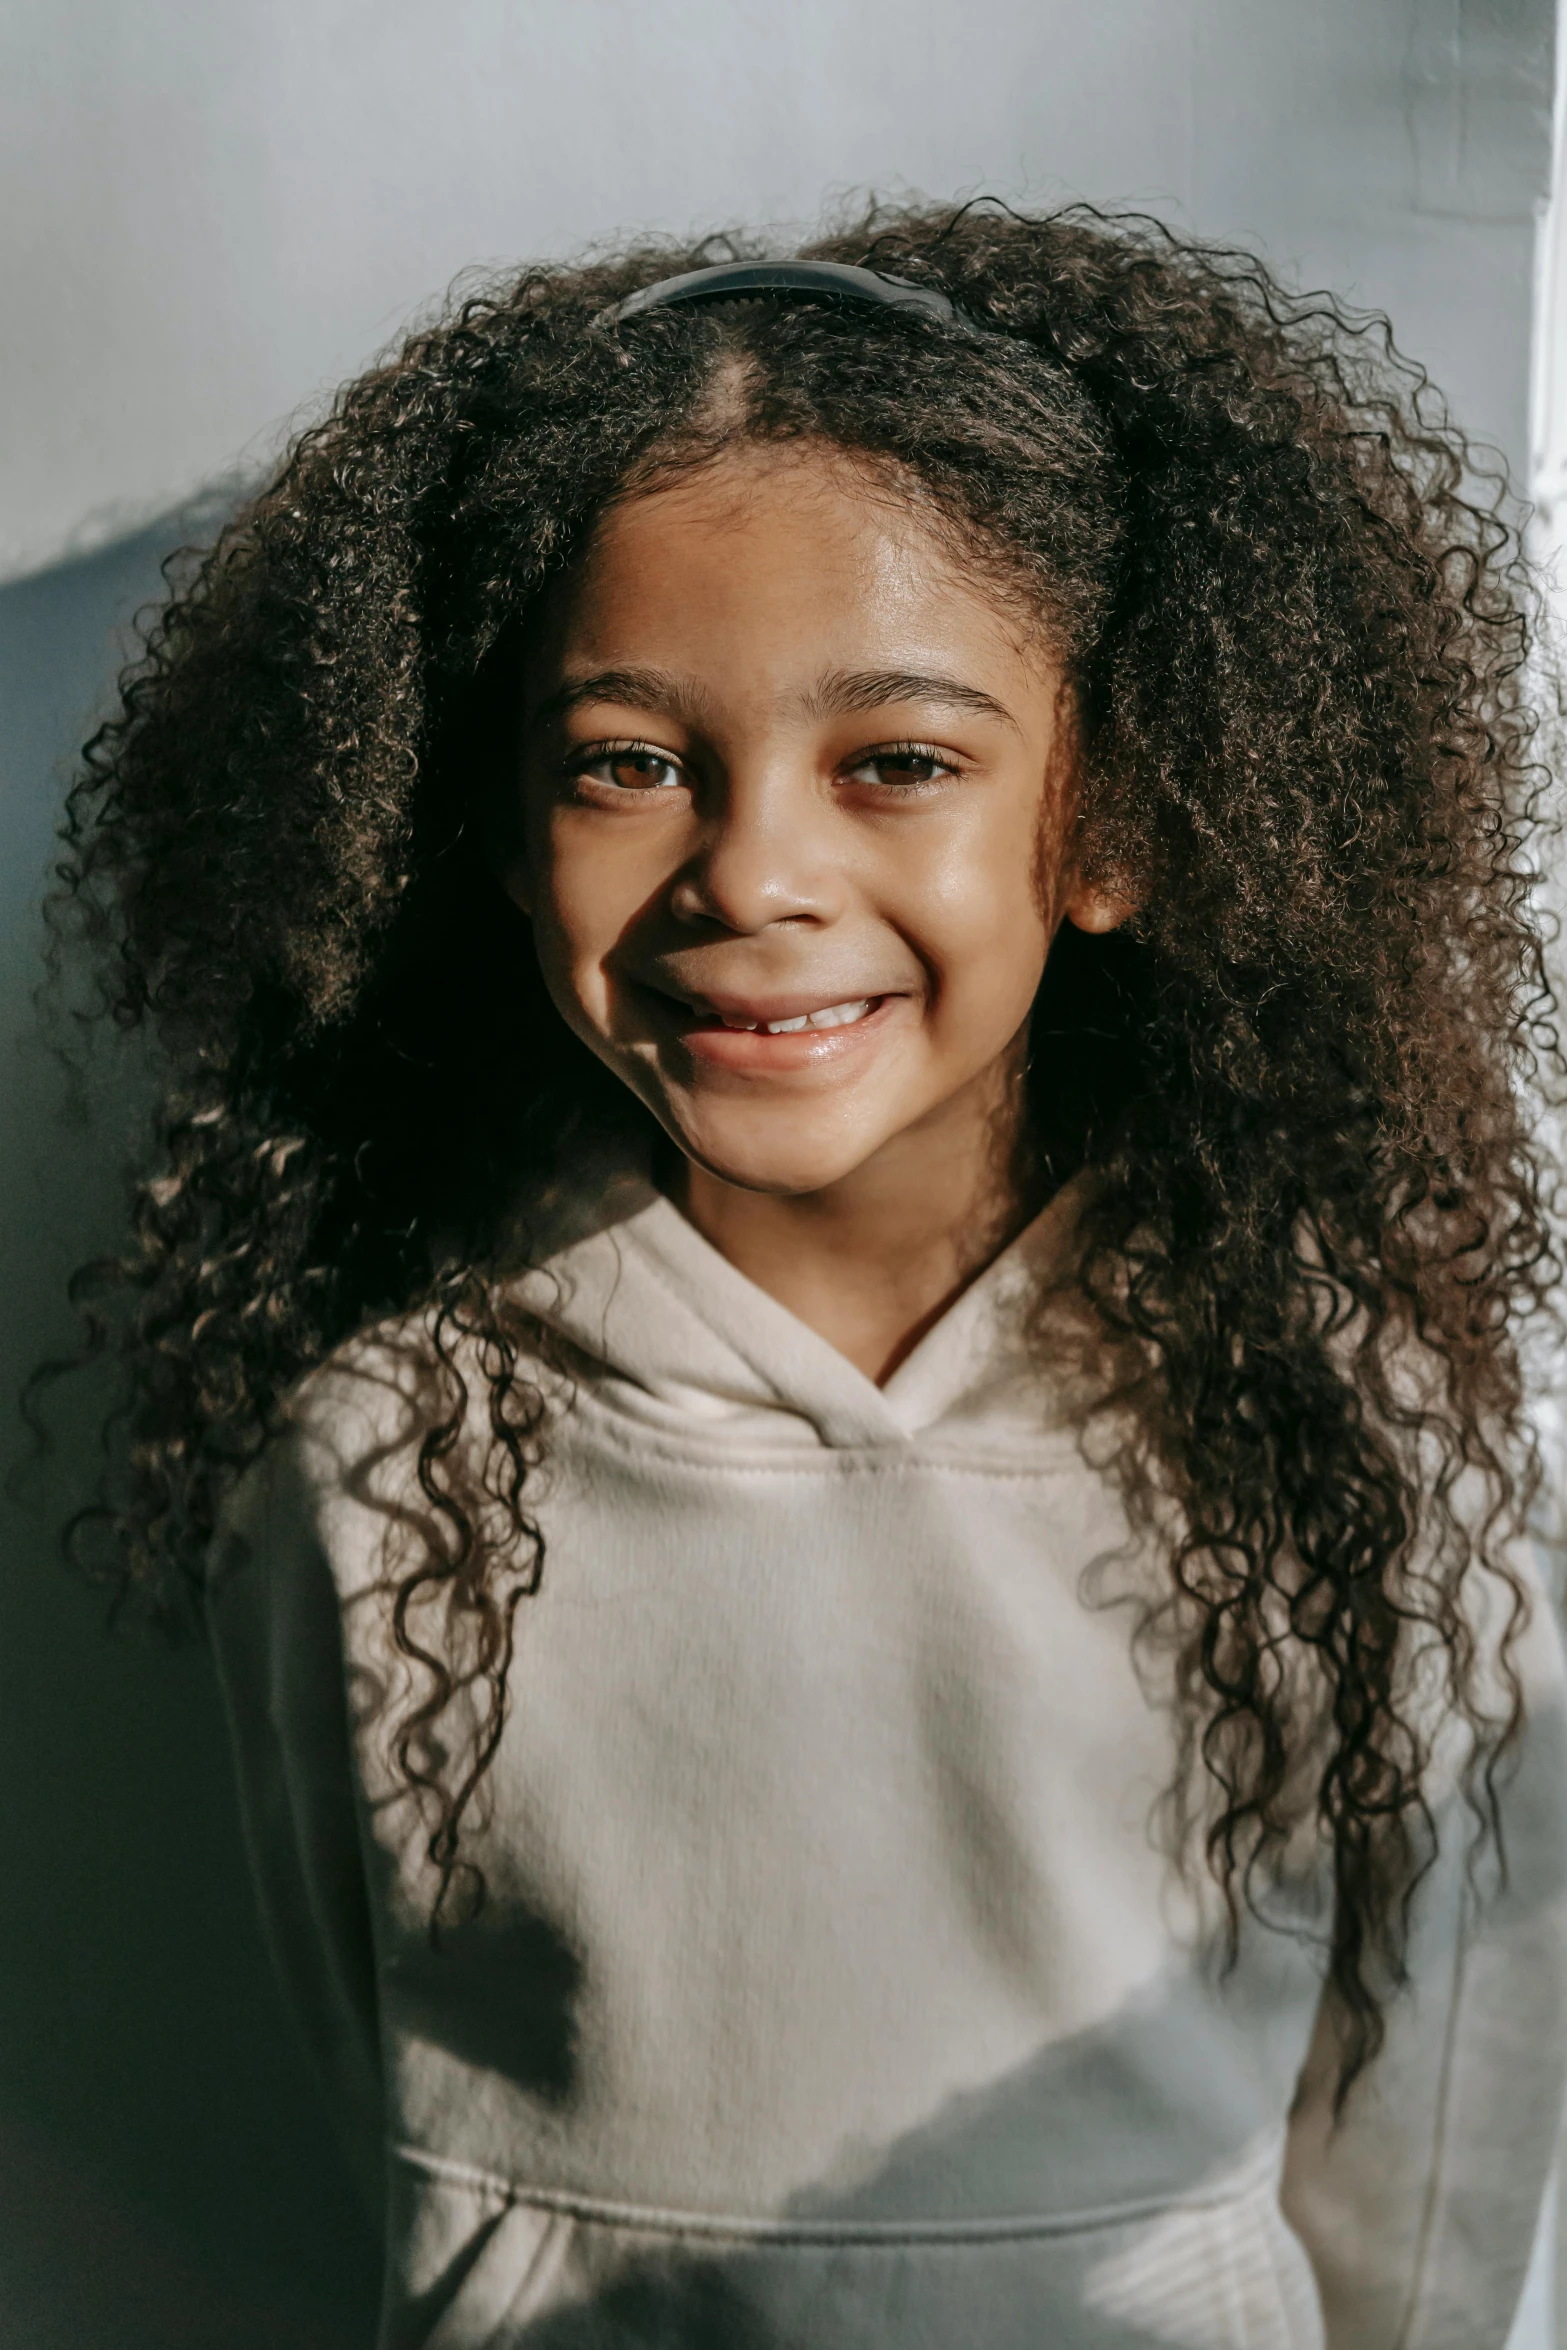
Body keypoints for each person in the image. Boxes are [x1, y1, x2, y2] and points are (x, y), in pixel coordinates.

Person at [44, 202, 1567, 2347]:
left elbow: (1439, 2139)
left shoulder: (1364, 1441)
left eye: (902, 763)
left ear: (1120, 822)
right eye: (630, 761)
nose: (756, 865)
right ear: (491, 830)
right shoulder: (378, 1442)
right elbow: (370, 2080)